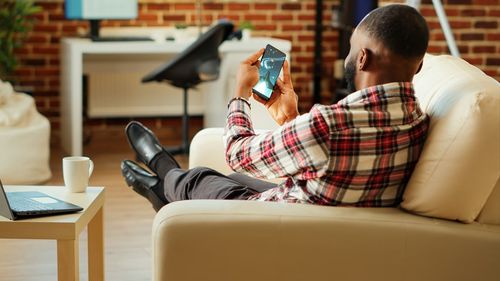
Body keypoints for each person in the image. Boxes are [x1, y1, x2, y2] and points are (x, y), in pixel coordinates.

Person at [121, 4, 430, 212]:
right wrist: (290, 119)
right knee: (230, 178)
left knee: (200, 177)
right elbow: (330, 162)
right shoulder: (418, 120)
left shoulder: (327, 126)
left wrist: (240, 93)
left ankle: (161, 175)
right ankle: (161, 185)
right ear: (417, 67)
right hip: (330, 206)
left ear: (362, 59)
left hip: (281, 218)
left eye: (351, 49)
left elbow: (238, 154)